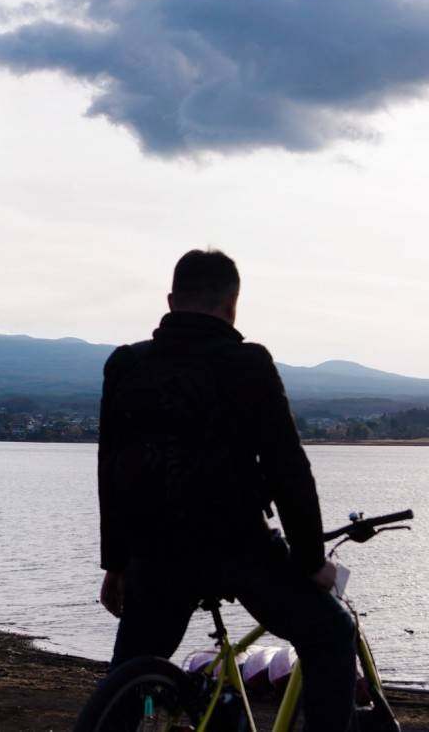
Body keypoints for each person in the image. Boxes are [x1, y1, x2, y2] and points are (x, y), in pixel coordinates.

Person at [96, 249, 355, 732]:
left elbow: (110, 468)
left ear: (171, 301)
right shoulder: (247, 363)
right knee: (333, 635)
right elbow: (287, 469)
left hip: (154, 553)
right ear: (233, 305)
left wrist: (116, 564)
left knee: (128, 678)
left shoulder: (125, 364)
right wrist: (311, 560)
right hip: (237, 548)